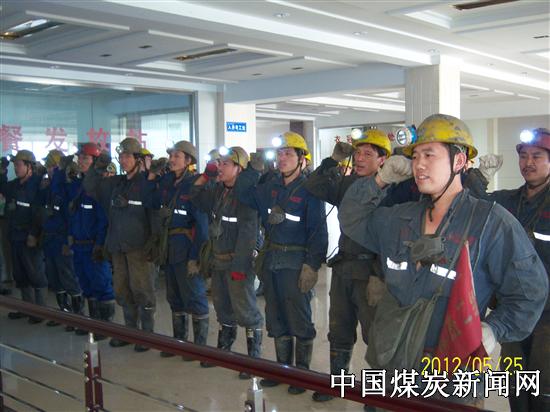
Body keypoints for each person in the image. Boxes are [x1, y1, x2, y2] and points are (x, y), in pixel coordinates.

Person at [338, 114, 548, 407]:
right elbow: (352, 218)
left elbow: (530, 291)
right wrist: (381, 178)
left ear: (459, 161)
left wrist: (494, 328)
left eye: (429, 155)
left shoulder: (490, 222)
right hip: (394, 366)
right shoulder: (399, 218)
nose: (419, 164)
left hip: (451, 376)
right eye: (415, 156)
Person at [234, 132, 328, 394]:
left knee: (298, 317)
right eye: (279, 153)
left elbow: (319, 232)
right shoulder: (270, 187)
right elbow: (243, 193)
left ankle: (302, 375)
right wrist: (253, 170)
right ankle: (282, 370)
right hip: (272, 260)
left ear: (301, 159)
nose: (282, 158)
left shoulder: (310, 190)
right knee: (275, 316)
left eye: (288, 153)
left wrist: (312, 265)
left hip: (295, 262)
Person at [304, 129, 390, 402]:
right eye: (358, 153)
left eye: (368, 154)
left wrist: (380, 274)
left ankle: (378, 396)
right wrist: (332, 161)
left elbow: (392, 238)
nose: (360, 158)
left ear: (383, 160)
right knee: (339, 331)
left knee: (376, 337)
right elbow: (314, 186)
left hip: (371, 274)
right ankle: (339, 385)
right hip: (343, 269)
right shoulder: (348, 184)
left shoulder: (391, 191)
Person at [477, 127, 549, 412]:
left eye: (537, 156)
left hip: (547, 316)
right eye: (524, 156)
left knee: (544, 387)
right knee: (515, 381)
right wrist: (479, 177)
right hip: (513, 311)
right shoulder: (507, 201)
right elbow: (470, 204)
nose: (528, 163)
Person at [191, 146, 264, 379]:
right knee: (222, 308)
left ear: (239, 168)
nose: (219, 167)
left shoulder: (245, 196)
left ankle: (253, 361)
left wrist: (241, 267)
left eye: (225, 164)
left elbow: (248, 233)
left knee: (246, 311)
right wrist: (205, 176)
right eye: (219, 163)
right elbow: (195, 199)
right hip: (219, 260)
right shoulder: (218, 191)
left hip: (237, 262)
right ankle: (223, 351)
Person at [83, 138, 160, 352]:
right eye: (121, 156)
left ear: (138, 159)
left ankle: (146, 335)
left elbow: (154, 214)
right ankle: (129, 331)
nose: (123, 160)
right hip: (118, 246)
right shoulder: (115, 183)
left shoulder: (147, 184)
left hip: (139, 247)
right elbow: (90, 187)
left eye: (127, 156)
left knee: (142, 289)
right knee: (122, 290)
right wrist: (97, 168)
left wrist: (155, 243)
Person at [149, 141, 210, 362]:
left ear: (188, 160)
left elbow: (202, 226)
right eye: (171, 156)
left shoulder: (195, 184)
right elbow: (150, 201)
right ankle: (180, 343)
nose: (172, 160)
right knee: (174, 297)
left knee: (194, 296)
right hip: (169, 247)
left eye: (177, 156)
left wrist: (195, 257)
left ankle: (200, 348)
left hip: (186, 249)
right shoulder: (168, 182)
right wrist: (152, 177)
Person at [56, 143, 115, 336]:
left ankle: (105, 328)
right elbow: (61, 197)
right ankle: (93, 325)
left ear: (95, 161)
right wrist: (60, 171)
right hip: (79, 245)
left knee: (102, 285)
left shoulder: (101, 185)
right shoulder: (77, 185)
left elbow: (104, 219)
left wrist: (100, 244)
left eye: (85, 158)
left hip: (94, 246)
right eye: (79, 158)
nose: (80, 161)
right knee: (86, 286)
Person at [0, 150, 48, 323]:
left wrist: (34, 234)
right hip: (15, 235)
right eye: (15, 165)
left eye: (19, 165)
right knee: (20, 274)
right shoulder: (14, 185)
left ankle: (41, 311)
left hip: (29, 236)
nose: (16, 168)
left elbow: (40, 213)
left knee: (35, 273)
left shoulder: (38, 185)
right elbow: (2, 187)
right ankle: (27, 309)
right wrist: (2, 172)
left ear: (29, 166)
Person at [41, 149, 83, 328]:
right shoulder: (49, 187)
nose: (48, 169)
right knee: (55, 278)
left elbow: (71, 217)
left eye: (52, 166)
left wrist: (68, 241)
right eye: (48, 166)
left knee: (69, 277)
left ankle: (77, 317)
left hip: (62, 240)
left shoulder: (67, 187)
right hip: (49, 239)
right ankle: (63, 314)